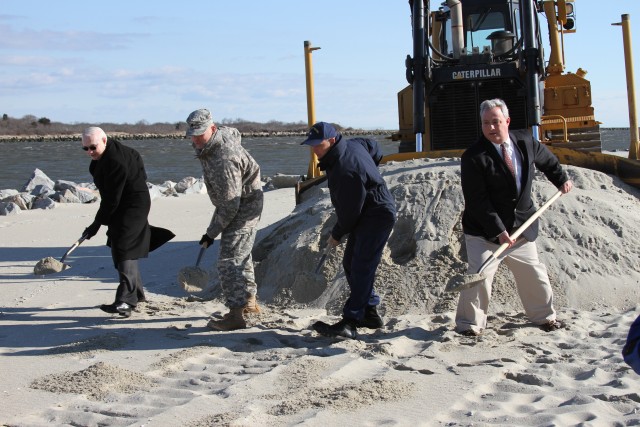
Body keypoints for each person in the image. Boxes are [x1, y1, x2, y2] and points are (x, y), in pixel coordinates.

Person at [456, 98, 573, 336]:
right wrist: (498, 231)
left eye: (496, 122)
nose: (490, 127)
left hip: (521, 226)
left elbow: (548, 161)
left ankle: (544, 317)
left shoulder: (526, 141)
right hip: (484, 232)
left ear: (507, 121)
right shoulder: (473, 157)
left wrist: (561, 180)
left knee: (533, 273)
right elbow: (478, 201)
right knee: (480, 274)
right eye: (486, 123)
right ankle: (469, 325)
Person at [301, 122, 396, 339]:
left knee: (362, 266)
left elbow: (349, 213)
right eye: (311, 145)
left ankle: (350, 322)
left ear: (332, 140)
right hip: (367, 211)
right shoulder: (352, 144)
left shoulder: (345, 168)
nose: (315, 150)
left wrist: (336, 235)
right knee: (350, 263)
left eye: (318, 145)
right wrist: (370, 169)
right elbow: (374, 147)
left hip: (377, 214)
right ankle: (370, 313)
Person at [81, 127, 174, 317]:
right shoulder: (106, 156)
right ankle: (138, 294)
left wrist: (95, 225)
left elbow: (111, 199)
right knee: (119, 243)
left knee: (125, 247)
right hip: (121, 203)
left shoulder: (116, 161)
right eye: (85, 149)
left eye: (93, 147)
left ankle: (125, 301)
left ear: (104, 141)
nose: (89, 152)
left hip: (134, 205)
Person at [185, 108, 263, 331]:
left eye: (200, 134)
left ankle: (236, 315)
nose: (196, 139)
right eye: (192, 134)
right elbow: (234, 132)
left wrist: (211, 233)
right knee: (241, 254)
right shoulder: (214, 140)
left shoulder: (224, 158)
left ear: (212, 128)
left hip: (244, 206)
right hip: (239, 202)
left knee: (229, 260)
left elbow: (230, 205)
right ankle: (249, 301)